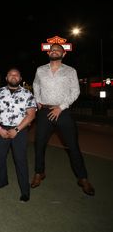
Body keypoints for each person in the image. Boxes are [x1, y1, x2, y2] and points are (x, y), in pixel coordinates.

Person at [32, 43, 95, 196]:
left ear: (63, 54)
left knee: (73, 147)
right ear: (49, 53)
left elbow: (75, 91)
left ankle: (83, 178)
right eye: (52, 50)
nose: (54, 52)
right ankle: (39, 173)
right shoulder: (40, 70)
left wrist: (61, 107)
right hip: (45, 111)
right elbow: (35, 84)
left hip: (63, 112)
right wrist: (38, 100)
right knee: (39, 144)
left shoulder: (70, 71)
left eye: (57, 50)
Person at [0, 68, 36, 202]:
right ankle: (3, 181)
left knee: (20, 160)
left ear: (20, 78)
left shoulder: (27, 94)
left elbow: (31, 114)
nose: (13, 76)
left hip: (19, 131)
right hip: (1, 129)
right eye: (10, 74)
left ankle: (25, 192)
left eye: (16, 75)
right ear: (6, 78)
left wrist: (17, 129)